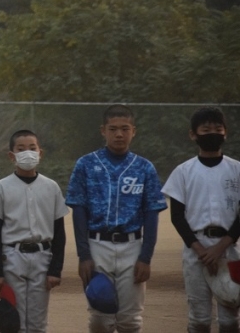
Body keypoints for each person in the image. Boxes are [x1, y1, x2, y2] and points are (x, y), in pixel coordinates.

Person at [65, 104, 167, 333]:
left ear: (133, 131)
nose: (119, 134)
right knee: (100, 319)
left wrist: (146, 257)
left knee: (130, 320)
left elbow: (152, 214)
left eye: (125, 128)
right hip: (97, 244)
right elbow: (78, 211)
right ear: (103, 130)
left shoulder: (144, 167)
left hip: (132, 245)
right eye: (113, 129)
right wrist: (84, 255)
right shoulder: (85, 164)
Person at [161, 107, 240, 332]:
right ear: (193, 134)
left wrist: (219, 248)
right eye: (205, 130)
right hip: (195, 249)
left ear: (225, 133)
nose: (212, 133)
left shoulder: (236, 169)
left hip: (229, 248)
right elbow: (177, 217)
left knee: (230, 318)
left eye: (218, 128)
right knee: (199, 319)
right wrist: (201, 250)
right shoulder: (183, 171)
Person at [0, 129, 68, 332]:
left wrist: (55, 269)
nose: (27, 153)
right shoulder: (1, 188)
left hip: (42, 256)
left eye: (32, 148)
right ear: (11, 155)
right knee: (14, 321)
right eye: (21, 149)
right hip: (12, 257)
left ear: (40, 153)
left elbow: (59, 232)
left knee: (38, 322)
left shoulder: (51, 187)